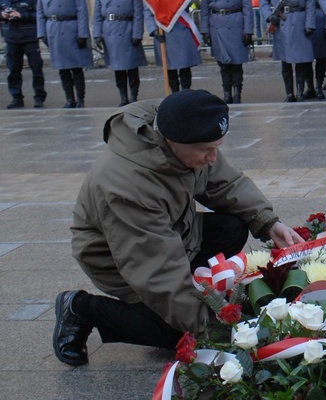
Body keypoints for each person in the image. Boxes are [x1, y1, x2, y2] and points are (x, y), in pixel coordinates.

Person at [54, 89, 304, 367]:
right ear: (172, 141)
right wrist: (219, 332)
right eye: (206, 150)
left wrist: (268, 222)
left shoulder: (188, 134)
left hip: (172, 232)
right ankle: (81, 308)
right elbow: (158, 274)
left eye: (217, 147)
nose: (213, 157)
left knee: (232, 228)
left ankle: (192, 294)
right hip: (117, 256)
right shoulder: (127, 186)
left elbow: (224, 183)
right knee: (176, 333)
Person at [260, 0, 316, 102]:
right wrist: (268, 16)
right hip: (281, 21)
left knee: (299, 60)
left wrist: (310, 23)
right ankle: (289, 93)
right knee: (285, 61)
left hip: (298, 19)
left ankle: (300, 90)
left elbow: (311, 1)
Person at [36, 0, 92, 108]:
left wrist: (82, 34)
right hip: (53, 29)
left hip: (70, 28)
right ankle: (69, 99)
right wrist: (41, 33)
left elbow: (82, 12)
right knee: (62, 68)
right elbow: (40, 12)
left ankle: (80, 98)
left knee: (76, 67)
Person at [200, 0, 254, 104]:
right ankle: (226, 93)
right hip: (217, 23)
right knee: (223, 63)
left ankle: (237, 93)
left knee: (236, 63)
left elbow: (247, 7)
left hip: (235, 22)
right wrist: (205, 30)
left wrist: (248, 30)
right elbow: (204, 9)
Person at [93, 0, 148, 107]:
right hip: (110, 30)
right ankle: (123, 97)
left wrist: (137, 33)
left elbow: (138, 13)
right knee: (117, 68)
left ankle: (133, 96)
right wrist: (97, 33)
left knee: (131, 67)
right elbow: (97, 13)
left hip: (126, 29)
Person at [0, 0, 46, 109]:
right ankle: (16, 98)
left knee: (36, 69)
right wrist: (4, 16)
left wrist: (21, 15)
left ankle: (39, 97)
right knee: (13, 70)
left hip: (29, 38)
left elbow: (39, 16)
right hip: (11, 38)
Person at [145, 6, 202, 93]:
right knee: (170, 68)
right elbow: (148, 12)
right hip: (163, 33)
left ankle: (186, 93)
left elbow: (188, 2)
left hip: (181, 29)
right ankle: (174, 93)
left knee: (185, 65)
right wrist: (154, 30)